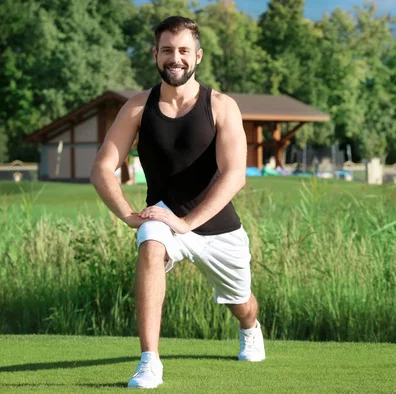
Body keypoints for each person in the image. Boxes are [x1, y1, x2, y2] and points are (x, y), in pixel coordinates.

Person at [90, 15, 265, 389]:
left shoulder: (221, 106)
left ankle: (250, 329)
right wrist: (127, 214)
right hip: (164, 217)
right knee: (150, 244)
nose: (176, 58)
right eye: (167, 50)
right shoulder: (137, 108)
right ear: (155, 54)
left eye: (183, 50)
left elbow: (235, 174)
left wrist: (188, 222)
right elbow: (103, 167)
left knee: (242, 303)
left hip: (219, 228)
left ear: (197, 56)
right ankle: (149, 361)